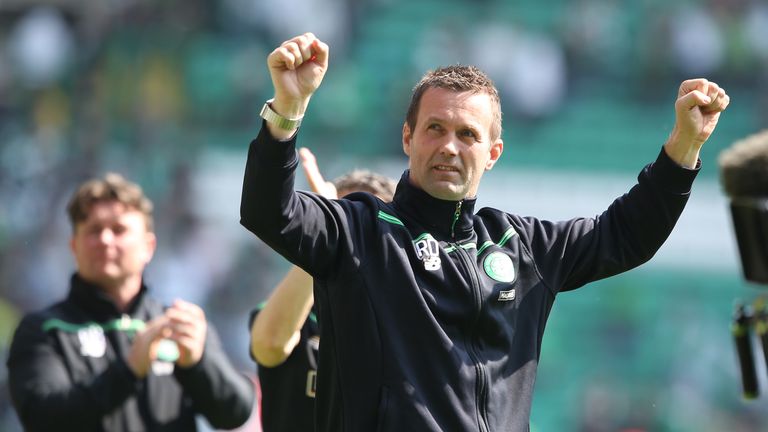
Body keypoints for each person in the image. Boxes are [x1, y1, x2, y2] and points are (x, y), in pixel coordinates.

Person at [239, 33, 730, 431]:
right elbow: (269, 211)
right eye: (435, 129)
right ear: (407, 137)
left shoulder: (522, 247)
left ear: (493, 152)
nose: (450, 147)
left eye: (468, 134)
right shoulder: (359, 232)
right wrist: (288, 107)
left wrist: (684, 146)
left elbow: (626, 236)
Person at [7, 173, 255, 432]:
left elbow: (235, 413)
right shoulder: (45, 331)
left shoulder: (177, 326)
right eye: (93, 230)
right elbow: (42, 419)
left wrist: (199, 364)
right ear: (74, 246)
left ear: (148, 246)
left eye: (118, 229)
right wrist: (128, 371)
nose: (105, 239)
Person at [248, 147, 396, 431]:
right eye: (340, 222)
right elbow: (269, 345)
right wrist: (322, 242)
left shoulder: (409, 320)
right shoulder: (297, 314)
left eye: (364, 228)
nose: (351, 239)